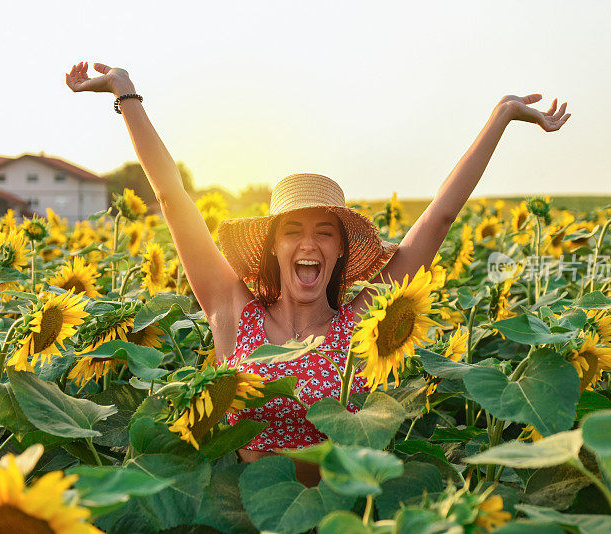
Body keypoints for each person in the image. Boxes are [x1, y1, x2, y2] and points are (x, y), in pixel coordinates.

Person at [66, 61, 571, 485]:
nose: (308, 244)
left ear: (341, 251)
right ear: (273, 247)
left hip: (340, 512)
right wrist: (125, 92)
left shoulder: (362, 323)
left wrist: (502, 114)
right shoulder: (233, 310)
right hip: (244, 514)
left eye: (325, 232)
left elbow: (438, 217)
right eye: (293, 230)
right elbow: (172, 199)